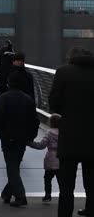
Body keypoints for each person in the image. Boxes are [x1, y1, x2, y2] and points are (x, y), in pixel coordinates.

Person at [49, 47, 94, 217]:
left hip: (70, 136)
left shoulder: (63, 72)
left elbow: (53, 103)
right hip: (92, 138)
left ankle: (65, 213)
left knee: (66, 186)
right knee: (92, 183)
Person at [0, 72, 40, 207]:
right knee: (15, 165)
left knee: (11, 167)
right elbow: (35, 120)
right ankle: (7, 193)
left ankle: (20, 196)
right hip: (22, 138)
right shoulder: (28, 99)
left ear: (8, 83)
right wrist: (31, 135)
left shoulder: (4, 98)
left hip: (7, 137)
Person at [27, 114, 62, 203]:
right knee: (61, 180)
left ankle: (48, 195)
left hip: (50, 158)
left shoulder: (49, 132)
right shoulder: (64, 132)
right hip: (61, 159)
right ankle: (63, 194)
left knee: (47, 178)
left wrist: (30, 143)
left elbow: (41, 145)